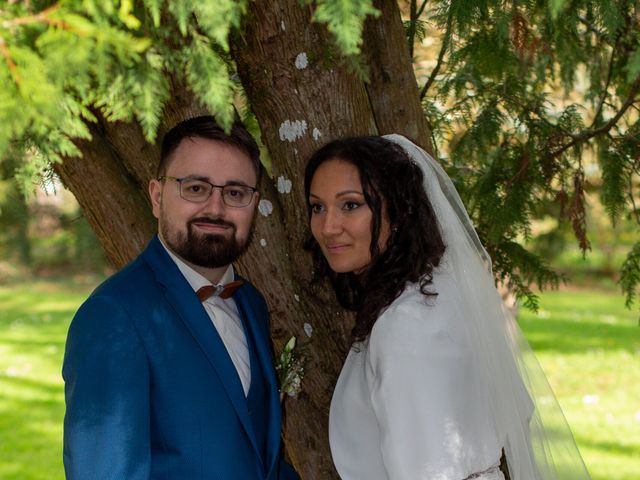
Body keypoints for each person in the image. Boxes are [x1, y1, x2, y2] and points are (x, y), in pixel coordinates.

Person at [304, 135, 591, 480]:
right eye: (317, 207)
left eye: (350, 205)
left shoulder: (408, 323)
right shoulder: (435, 293)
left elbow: (429, 471)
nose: (327, 226)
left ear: (398, 210)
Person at [63, 116, 298, 480]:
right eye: (195, 188)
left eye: (235, 193)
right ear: (157, 197)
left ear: (254, 204)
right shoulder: (113, 315)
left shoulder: (251, 303)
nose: (216, 209)